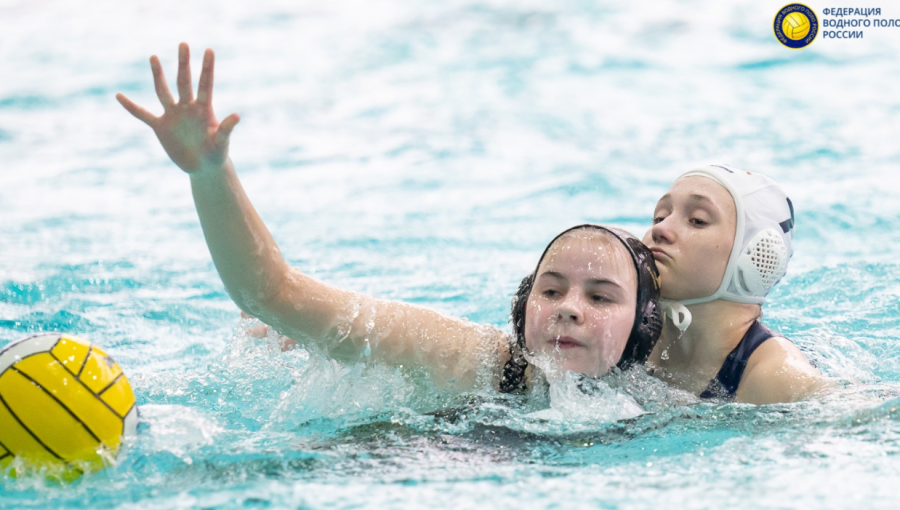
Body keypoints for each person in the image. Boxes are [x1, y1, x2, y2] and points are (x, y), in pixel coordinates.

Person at [116, 43, 663, 394]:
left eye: (600, 297)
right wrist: (209, 173)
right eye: (551, 290)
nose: (568, 309)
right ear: (523, 308)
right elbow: (272, 293)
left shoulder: (669, 405)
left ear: (641, 328)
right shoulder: (473, 361)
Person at [642, 164, 831, 404]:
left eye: (697, 220)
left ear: (757, 254)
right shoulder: (626, 333)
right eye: (660, 217)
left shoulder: (779, 378)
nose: (660, 229)